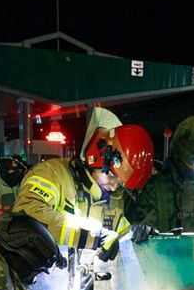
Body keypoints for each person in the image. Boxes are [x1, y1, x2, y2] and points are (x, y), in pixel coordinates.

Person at [13, 107, 153, 261]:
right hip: (43, 273)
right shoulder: (51, 173)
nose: (114, 187)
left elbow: (116, 233)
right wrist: (93, 237)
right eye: (112, 177)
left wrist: (135, 234)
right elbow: (27, 215)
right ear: (96, 157)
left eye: (120, 184)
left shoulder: (110, 197)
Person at [0, 156, 30, 220]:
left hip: (18, 220)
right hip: (2, 222)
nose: (16, 173)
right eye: (11, 170)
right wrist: (0, 213)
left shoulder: (19, 185)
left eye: (18, 171)